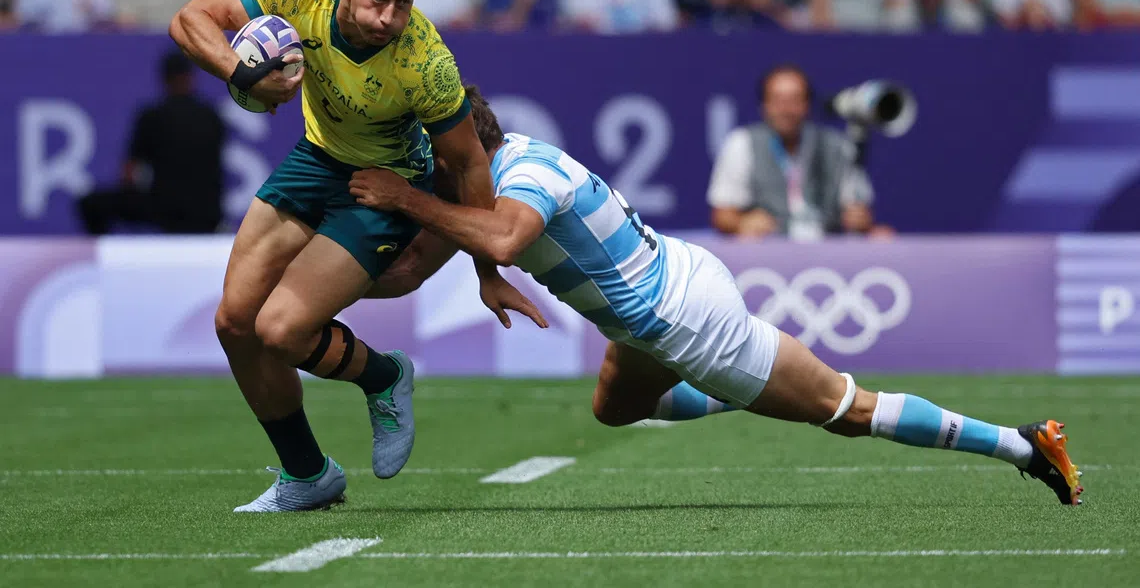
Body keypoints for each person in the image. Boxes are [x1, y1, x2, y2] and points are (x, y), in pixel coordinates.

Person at [350, 86, 1085, 508]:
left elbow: (502, 240)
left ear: (459, 150)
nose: (418, 166)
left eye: (426, 153)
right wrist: (329, 290)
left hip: (687, 323)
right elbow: (417, 266)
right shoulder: (478, 182)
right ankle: (747, 388)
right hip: (660, 307)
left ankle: (1024, 446)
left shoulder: (526, 179)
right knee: (614, 408)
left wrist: (400, 199)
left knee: (847, 411)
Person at [168, 0, 542, 513]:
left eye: (403, 3)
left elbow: (470, 167)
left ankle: (384, 377)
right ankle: (307, 475)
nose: (390, 18)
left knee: (282, 331)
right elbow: (190, 20)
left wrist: (487, 272)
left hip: (385, 185)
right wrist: (244, 75)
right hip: (317, 159)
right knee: (234, 324)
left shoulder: (425, 61)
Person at [707, 64, 882, 240]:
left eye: (794, 100)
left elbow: (860, 213)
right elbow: (722, 216)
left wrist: (863, 224)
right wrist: (742, 223)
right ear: (764, 105)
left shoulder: (837, 146)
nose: (786, 109)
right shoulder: (742, 143)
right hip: (767, 252)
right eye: (777, 100)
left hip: (826, 252)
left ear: (807, 105)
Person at [76, 52, 224, 236]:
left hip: (163, 208)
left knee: (90, 204)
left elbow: (129, 173)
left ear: (164, 80)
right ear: (190, 78)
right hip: (207, 212)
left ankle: (102, 254)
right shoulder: (212, 117)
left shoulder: (152, 116)